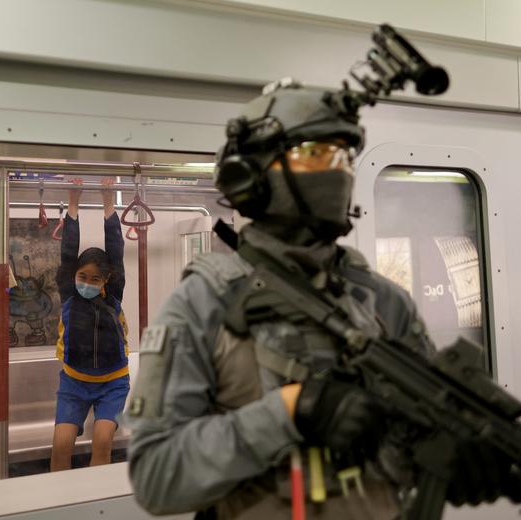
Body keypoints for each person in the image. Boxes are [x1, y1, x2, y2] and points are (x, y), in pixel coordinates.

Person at [125, 80, 520, 519]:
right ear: (252, 174)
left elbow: (404, 453)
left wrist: (456, 461)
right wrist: (290, 411)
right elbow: (155, 478)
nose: (338, 171)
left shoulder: (383, 303)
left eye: (343, 156)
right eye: (314, 154)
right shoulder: (203, 304)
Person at [50, 176, 130, 471]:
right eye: (83, 277)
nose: (87, 283)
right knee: (60, 445)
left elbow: (116, 250)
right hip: (74, 382)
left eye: (95, 279)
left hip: (112, 383)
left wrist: (108, 202)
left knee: (103, 441)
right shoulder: (70, 292)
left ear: (106, 280)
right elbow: (69, 252)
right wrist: (74, 202)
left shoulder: (112, 293)